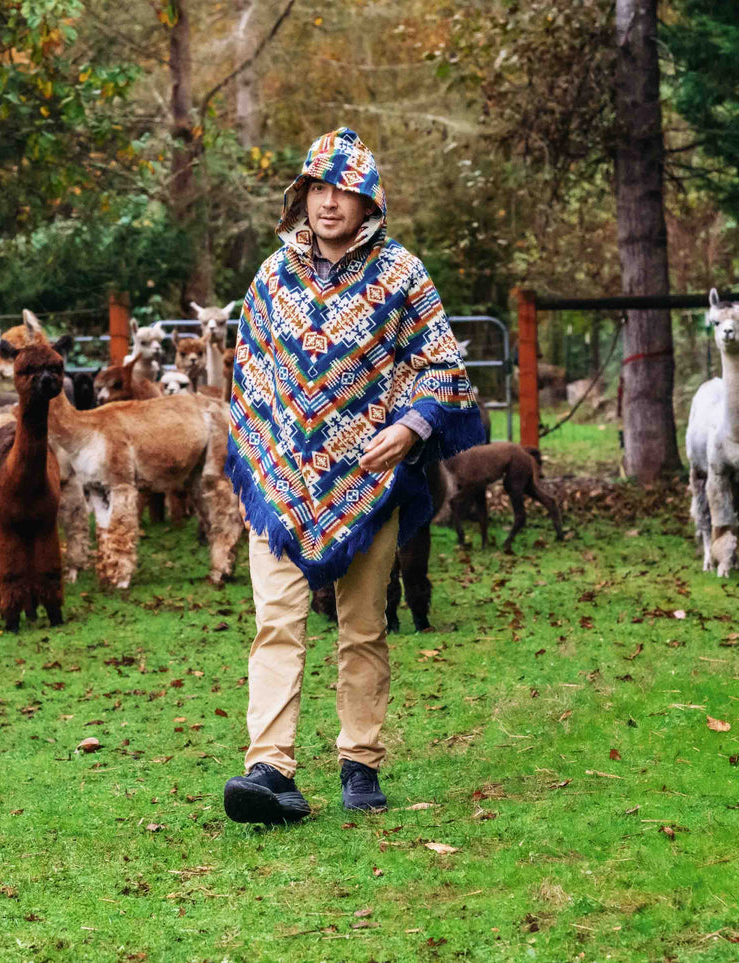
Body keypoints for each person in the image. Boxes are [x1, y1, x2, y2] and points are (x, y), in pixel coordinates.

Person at [222, 127, 484, 824]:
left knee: (362, 625)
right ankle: (268, 768)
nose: (328, 203)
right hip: (279, 485)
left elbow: (441, 366)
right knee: (274, 623)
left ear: (368, 201)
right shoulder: (271, 277)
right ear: (299, 196)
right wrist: (264, 452)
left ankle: (359, 760)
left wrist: (409, 428)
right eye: (316, 188)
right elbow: (251, 372)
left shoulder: (402, 274)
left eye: (343, 190)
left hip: (370, 486)